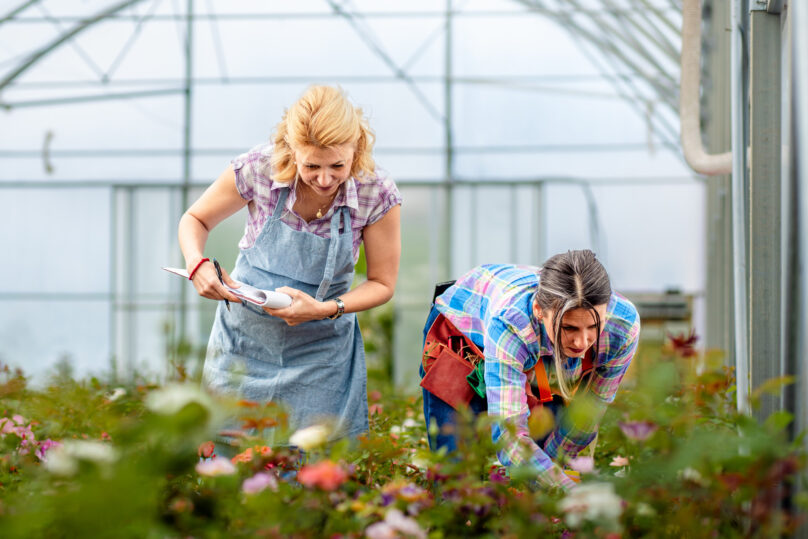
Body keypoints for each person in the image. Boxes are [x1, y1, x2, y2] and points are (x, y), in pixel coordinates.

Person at [178, 85, 401, 444]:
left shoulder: (377, 193)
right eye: (311, 165)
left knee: (316, 464)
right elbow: (195, 220)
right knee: (231, 453)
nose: (325, 179)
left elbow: (382, 283)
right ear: (290, 149)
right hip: (244, 345)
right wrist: (197, 263)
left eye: (337, 166)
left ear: (356, 150)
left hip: (321, 352)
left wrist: (324, 309)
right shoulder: (259, 169)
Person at [419, 250, 640, 490]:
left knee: (546, 445)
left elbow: (589, 411)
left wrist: (558, 477)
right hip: (463, 331)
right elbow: (509, 438)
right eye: (569, 327)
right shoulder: (511, 322)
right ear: (538, 309)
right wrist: (567, 490)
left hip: (540, 343)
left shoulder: (623, 327)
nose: (581, 342)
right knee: (457, 464)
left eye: (593, 326)